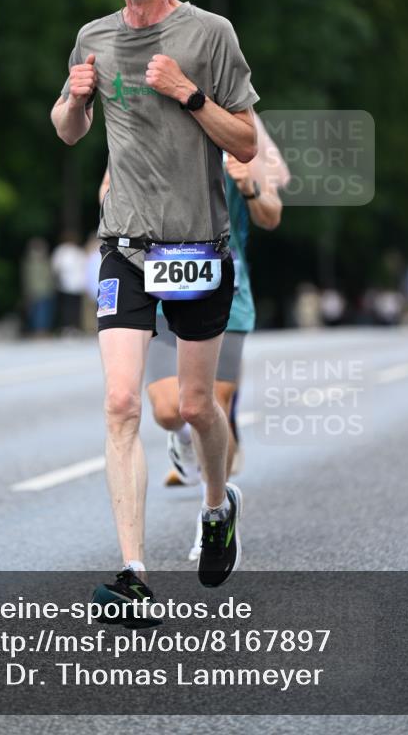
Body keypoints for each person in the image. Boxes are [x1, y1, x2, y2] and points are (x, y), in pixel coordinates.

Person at [51, 0, 259, 618]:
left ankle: (215, 503)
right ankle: (133, 574)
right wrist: (73, 99)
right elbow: (68, 130)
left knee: (197, 405)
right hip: (125, 247)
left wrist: (190, 96)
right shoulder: (95, 38)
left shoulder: (209, 34)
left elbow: (246, 142)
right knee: (119, 403)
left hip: (198, 245)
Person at [126, 113, 289, 561]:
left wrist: (250, 186)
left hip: (226, 289)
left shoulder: (235, 126)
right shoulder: (148, 118)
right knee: (166, 411)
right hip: (161, 283)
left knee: (208, 407)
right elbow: (108, 188)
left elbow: (271, 213)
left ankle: (214, 513)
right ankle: (180, 440)